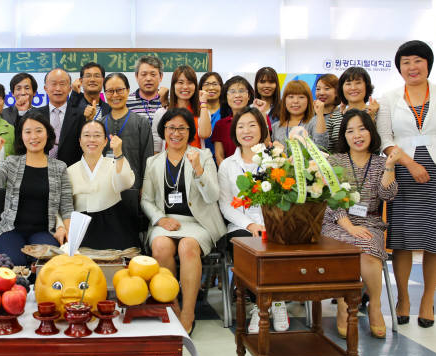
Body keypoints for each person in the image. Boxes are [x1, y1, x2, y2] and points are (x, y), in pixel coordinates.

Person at [377, 40, 436, 328]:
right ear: (399, 67)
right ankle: (403, 298)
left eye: (418, 61)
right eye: (406, 62)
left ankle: (427, 300)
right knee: (402, 240)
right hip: (403, 169)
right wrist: (409, 164)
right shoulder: (388, 97)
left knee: (435, 239)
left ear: (428, 63)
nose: (412, 67)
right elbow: (386, 140)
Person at [141, 107, 224, 333]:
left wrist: (198, 170)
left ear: (190, 131)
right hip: (166, 220)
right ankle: (172, 306)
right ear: (163, 131)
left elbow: (212, 196)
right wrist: (159, 219)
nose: (176, 133)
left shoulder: (203, 156)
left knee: (188, 246)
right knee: (160, 245)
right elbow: (146, 200)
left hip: (198, 223)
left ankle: (188, 312)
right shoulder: (153, 162)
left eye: (181, 128)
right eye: (170, 128)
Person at [322, 109, 400, 338]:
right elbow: (330, 198)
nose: (357, 135)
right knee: (343, 251)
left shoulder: (380, 162)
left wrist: (389, 167)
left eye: (362, 128)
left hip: (370, 222)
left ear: (371, 132)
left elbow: (388, 196)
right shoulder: (334, 161)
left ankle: (375, 305)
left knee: (367, 251)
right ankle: (344, 305)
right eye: (350, 130)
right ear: (343, 136)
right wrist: (349, 227)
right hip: (336, 222)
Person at [217, 107, 290, 333]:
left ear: (263, 129)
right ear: (234, 132)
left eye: (252, 125)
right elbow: (225, 204)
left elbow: (285, 197)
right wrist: (250, 225)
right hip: (241, 226)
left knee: (278, 244)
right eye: (240, 126)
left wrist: (267, 224)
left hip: (274, 223)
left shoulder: (275, 161)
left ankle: (276, 303)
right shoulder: (228, 165)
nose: (246, 131)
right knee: (247, 246)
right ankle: (262, 306)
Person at [0, 111, 73, 266]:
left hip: (44, 232)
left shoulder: (60, 167)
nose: (33, 137)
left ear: (48, 134)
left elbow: (66, 206)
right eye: (28, 132)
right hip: (10, 231)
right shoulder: (12, 163)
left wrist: (68, 236)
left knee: (46, 263)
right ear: (21, 136)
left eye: (39, 131)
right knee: (13, 263)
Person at [67, 120, 137, 249]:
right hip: (81, 227)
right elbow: (63, 206)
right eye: (87, 135)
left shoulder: (114, 163)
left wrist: (118, 153)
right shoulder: (69, 171)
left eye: (97, 135)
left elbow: (126, 182)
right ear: (80, 140)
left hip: (113, 223)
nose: (92, 139)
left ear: (105, 141)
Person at [101, 73, 153, 190]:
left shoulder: (141, 123)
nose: (115, 95)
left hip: (133, 188)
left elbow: (147, 159)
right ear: (105, 93)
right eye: (110, 91)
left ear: (128, 90)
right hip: (105, 189)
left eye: (119, 90)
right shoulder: (100, 124)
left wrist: (144, 188)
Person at [32, 68, 85, 166]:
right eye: (53, 84)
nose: (58, 88)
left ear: (69, 89)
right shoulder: (35, 115)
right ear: (45, 88)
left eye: (62, 84)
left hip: (70, 171)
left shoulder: (80, 115)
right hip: (40, 170)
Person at [152, 65, 212, 152]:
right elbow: (157, 144)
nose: (185, 87)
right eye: (180, 82)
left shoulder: (202, 111)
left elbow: (204, 134)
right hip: (168, 162)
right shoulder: (162, 112)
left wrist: (203, 103)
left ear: (195, 86)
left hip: (196, 162)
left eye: (190, 82)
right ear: (173, 85)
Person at [324, 67, 379, 152]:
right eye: (348, 84)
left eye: (358, 83)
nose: (353, 88)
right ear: (342, 88)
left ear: (366, 86)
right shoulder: (335, 116)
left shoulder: (376, 113)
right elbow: (328, 150)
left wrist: (371, 118)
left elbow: (377, 147)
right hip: (338, 164)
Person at [212, 76, 255, 166]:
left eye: (241, 91)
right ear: (226, 97)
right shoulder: (220, 125)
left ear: (249, 96)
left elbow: (266, 145)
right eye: (232, 92)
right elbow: (219, 155)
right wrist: (227, 173)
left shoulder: (258, 119)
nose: (237, 95)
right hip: (228, 174)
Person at [272, 79, 328, 148]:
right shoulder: (276, 126)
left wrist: (320, 115)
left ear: (308, 100)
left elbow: (322, 147)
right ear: (284, 100)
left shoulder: (315, 122)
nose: (295, 101)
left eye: (301, 97)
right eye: (291, 97)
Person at [127, 55, 167, 151]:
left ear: (161, 77)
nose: (148, 78)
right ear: (136, 76)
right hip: (135, 156)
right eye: (144, 74)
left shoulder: (169, 101)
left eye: (153, 74)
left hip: (163, 158)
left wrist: (166, 102)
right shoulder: (126, 102)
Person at [198, 72, 224, 156]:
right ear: (200, 88)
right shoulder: (195, 111)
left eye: (215, 84)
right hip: (200, 160)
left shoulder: (228, 110)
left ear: (221, 87)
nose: (211, 88)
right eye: (207, 84)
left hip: (224, 160)